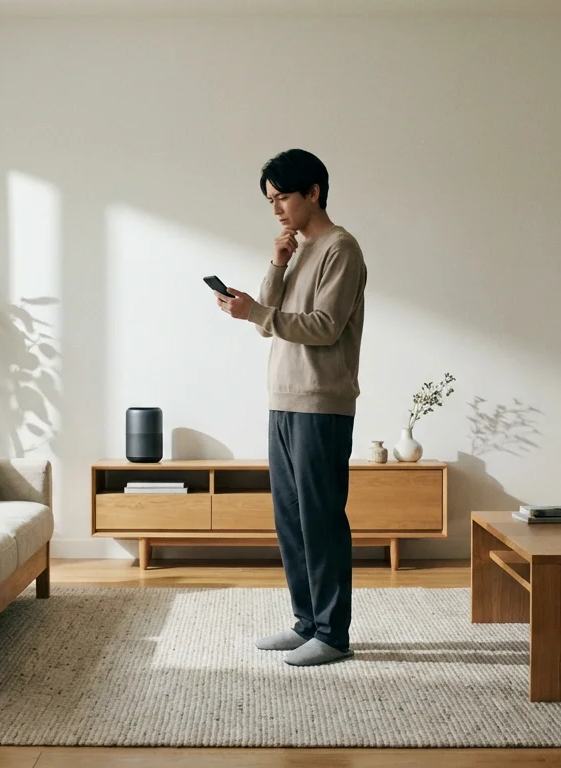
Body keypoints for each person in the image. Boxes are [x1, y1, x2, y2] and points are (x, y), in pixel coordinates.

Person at [214, 148, 367, 666]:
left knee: (321, 520)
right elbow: (266, 323)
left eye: (282, 197)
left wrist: (256, 311)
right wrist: (277, 264)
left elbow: (324, 327)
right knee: (291, 519)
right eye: (270, 201)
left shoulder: (341, 249)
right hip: (283, 399)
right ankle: (307, 623)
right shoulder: (297, 251)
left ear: (314, 192)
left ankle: (333, 635)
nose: (277, 209)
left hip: (322, 402)